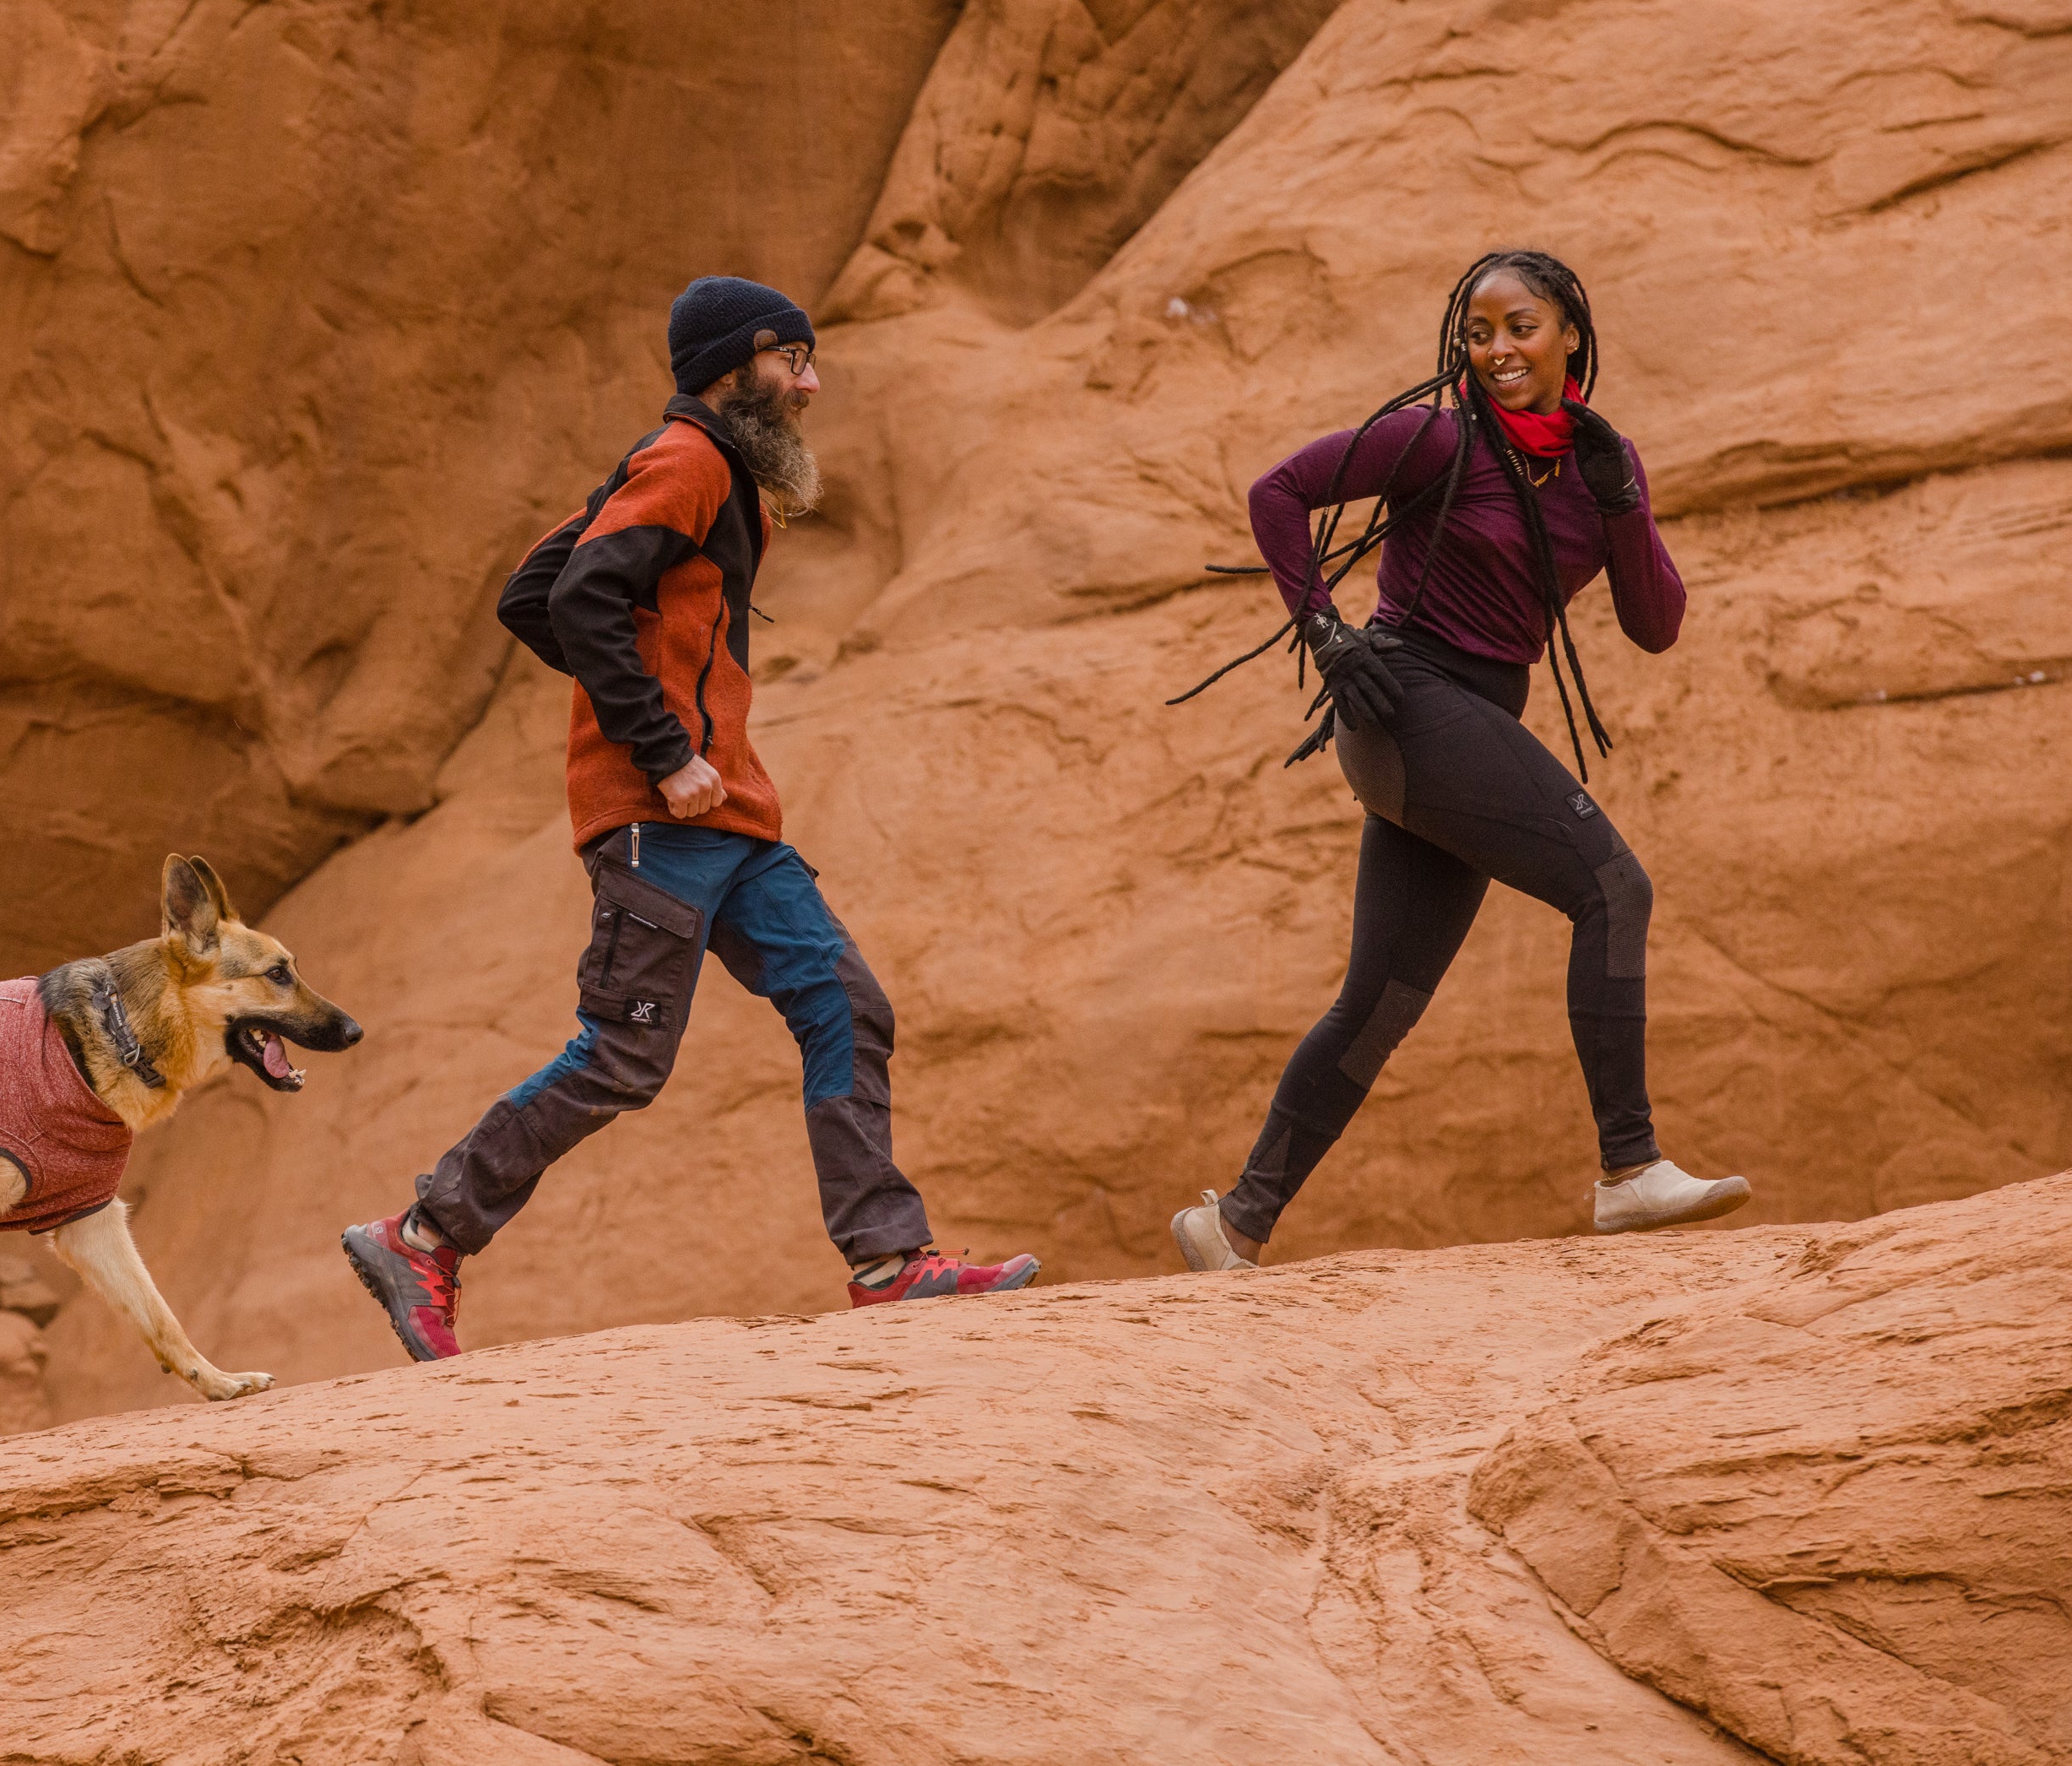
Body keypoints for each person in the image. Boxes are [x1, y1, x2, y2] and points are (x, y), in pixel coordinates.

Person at [341, 276, 1041, 1359]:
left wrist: (680, 736)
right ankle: (423, 1233)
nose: (809, 383)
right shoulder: (686, 461)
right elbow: (571, 598)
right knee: (623, 1057)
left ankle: (889, 1264)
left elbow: (535, 589)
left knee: (844, 1005)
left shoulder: (719, 477)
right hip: (661, 822)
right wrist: (659, 752)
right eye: (790, 361)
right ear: (732, 368)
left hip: (734, 822)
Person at [1169, 249, 1750, 1272]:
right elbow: (1277, 494)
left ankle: (1234, 1222)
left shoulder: (1598, 466)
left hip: (1463, 727)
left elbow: (1654, 626)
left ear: (1569, 329)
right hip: (1402, 701)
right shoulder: (1435, 440)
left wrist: (1623, 502)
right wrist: (1326, 631)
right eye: (1477, 334)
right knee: (1612, 887)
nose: (1495, 351)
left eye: (1518, 327)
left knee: (1381, 998)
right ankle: (1629, 1168)